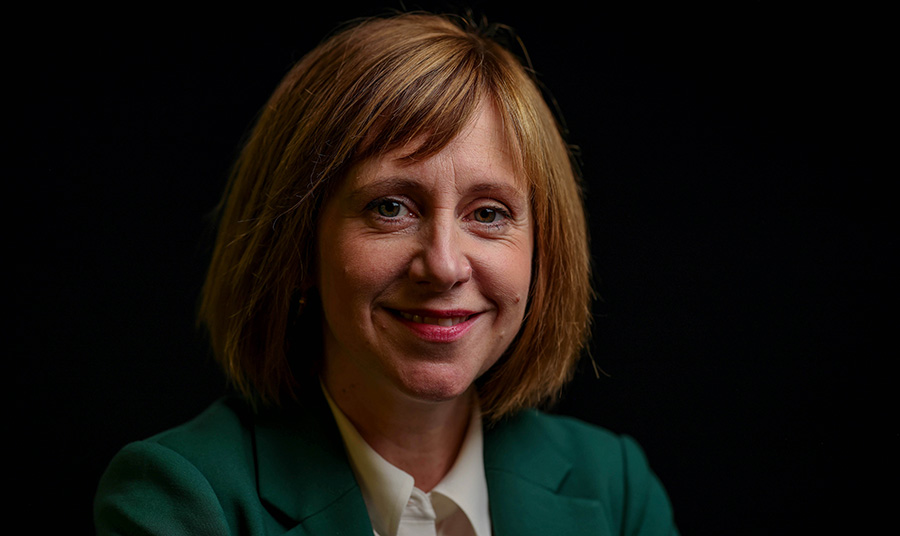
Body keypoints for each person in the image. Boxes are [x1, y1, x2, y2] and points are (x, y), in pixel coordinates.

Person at [94, 11, 678, 535]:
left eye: (489, 213)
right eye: (390, 207)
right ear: (296, 246)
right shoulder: (183, 501)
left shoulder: (614, 491)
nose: (445, 265)